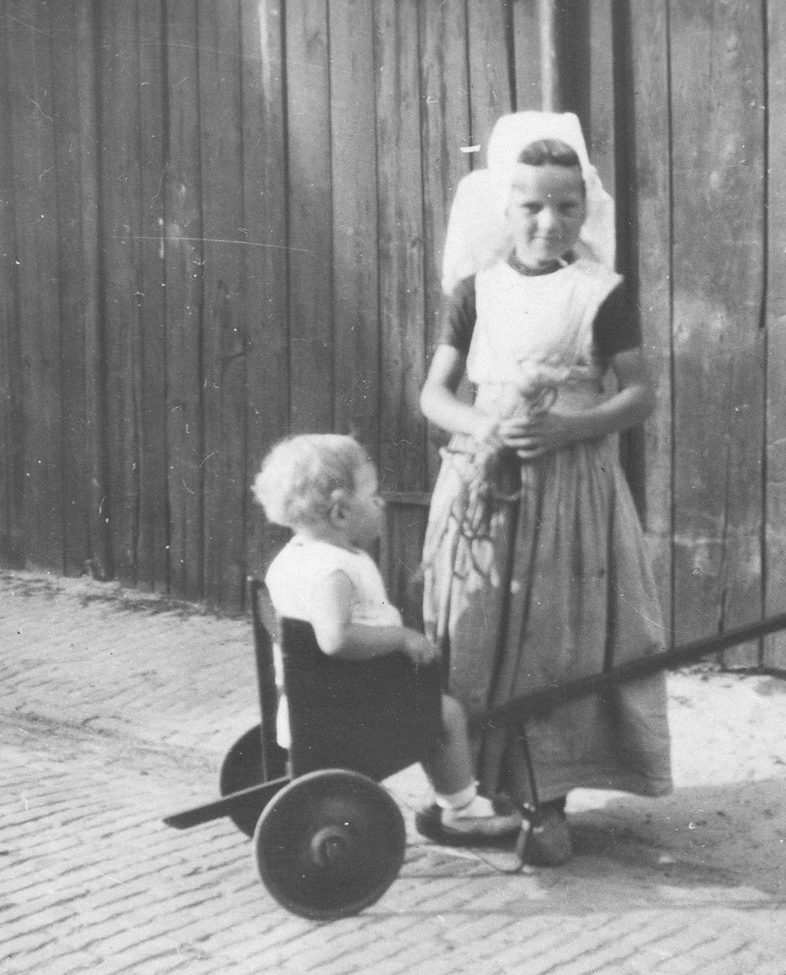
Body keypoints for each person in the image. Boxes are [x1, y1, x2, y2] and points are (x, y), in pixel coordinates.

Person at [418, 112, 673, 867]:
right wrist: (484, 428)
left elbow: (640, 394)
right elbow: (434, 393)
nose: (548, 222)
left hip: (572, 495)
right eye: (531, 205)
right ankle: (475, 795)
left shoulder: (602, 292)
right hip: (484, 488)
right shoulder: (475, 291)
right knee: (474, 630)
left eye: (567, 206)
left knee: (558, 638)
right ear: (504, 207)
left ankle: (546, 800)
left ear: (585, 207)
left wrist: (571, 429)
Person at [251, 433, 521, 843]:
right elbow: (335, 639)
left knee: (428, 700)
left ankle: (452, 795)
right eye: (373, 496)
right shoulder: (333, 571)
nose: (382, 504)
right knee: (446, 713)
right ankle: (462, 809)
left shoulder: (294, 558)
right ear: (341, 512)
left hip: (313, 704)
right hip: (348, 712)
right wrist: (399, 638)